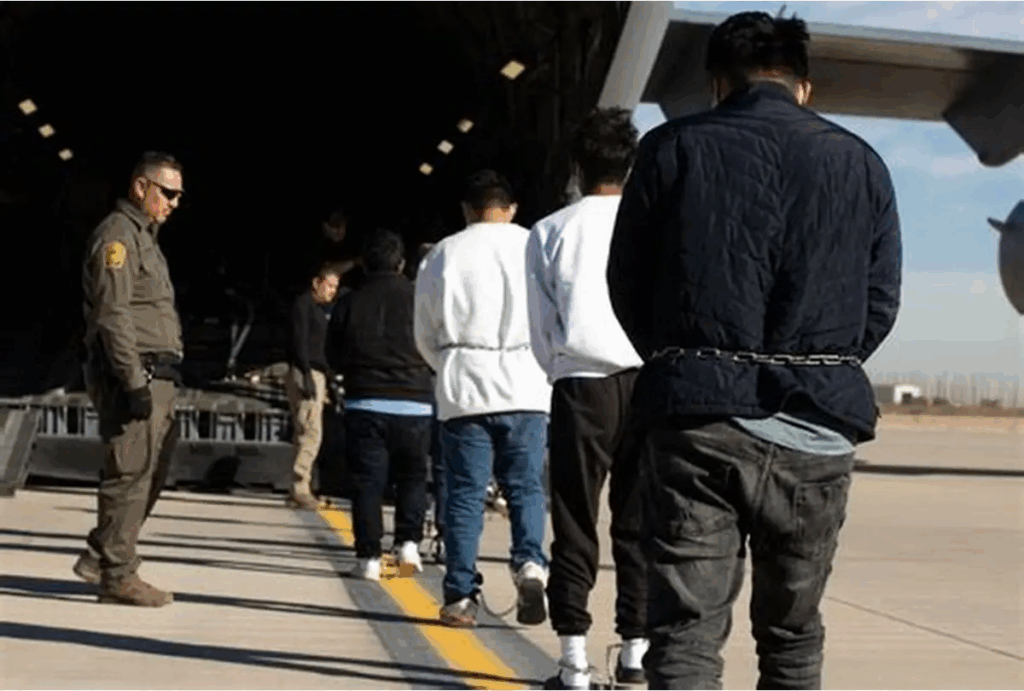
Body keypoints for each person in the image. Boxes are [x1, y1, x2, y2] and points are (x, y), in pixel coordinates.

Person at [606, 11, 902, 689]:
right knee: (792, 636)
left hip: (698, 424)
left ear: (717, 82)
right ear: (804, 87)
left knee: (685, 634)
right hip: (816, 429)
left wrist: (684, 362)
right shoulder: (860, 162)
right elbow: (880, 299)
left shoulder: (672, 148)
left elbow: (628, 281)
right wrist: (821, 364)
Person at [525, 108, 649, 690]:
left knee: (575, 518)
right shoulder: (654, 222)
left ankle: (573, 657)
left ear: (577, 166)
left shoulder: (550, 230)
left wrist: (562, 368)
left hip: (580, 384)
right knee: (639, 519)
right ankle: (636, 651)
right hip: (645, 381)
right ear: (632, 164)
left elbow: (540, 326)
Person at [415, 170, 553, 628]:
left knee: (465, 495)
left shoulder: (442, 253)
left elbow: (424, 332)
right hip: (526, 384)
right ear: (511, 209)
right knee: (526, 487)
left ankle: (460, 595)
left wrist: (449, 367)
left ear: (466, 210)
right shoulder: (534, 246)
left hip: (466, 387)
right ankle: (530, 563)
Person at [75, 151, 187, 607]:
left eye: (179, 195)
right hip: (136, 372)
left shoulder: (146, 239)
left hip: (158, 373)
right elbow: (112, 314)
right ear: (141, 187)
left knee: (151, 470)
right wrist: (133, 382)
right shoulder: (118, 237)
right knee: (130, 474)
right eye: (168, 192)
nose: (175, 202)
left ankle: (100, 555)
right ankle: (118, 574)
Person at [329, 229, 435, 581]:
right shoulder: (420, 298)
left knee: (367, 483)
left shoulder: (349, 301)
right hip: (415, 403)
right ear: (401, 263)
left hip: (366, 402)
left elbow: (332, 354)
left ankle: (369, 558)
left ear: (364, 264)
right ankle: (408, 543)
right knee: (413, 477)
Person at [285, 262, 341, 509]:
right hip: (306, 370)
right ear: (316, 283)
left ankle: (300, 486)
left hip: (317, 372)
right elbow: (299, 340)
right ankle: (300, 485)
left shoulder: (319, 309)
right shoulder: (303, 305)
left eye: (335, 287)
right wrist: (305, 372)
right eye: (329, 285)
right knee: (311, 431)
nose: (332, 292)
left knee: (305, 430)